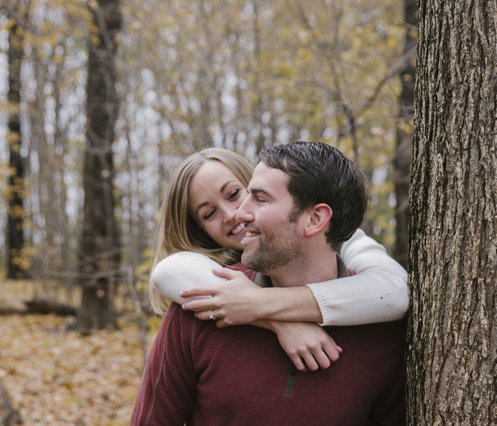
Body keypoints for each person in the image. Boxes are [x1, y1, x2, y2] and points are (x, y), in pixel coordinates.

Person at [126, 142, 406, 426]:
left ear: (316, 217)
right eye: (209, 213)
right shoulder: (202, 304)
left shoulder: (380, 326)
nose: (237, 216)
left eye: (253, 197)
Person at [148, 147, 408, 372]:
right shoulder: (208, 275)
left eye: (234, 194)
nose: (232, 213)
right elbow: (166, 271)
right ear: (199, 230)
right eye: (209, 214)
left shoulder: (339, 239)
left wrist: (258, 303)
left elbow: (393, 292)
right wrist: (281, 324)